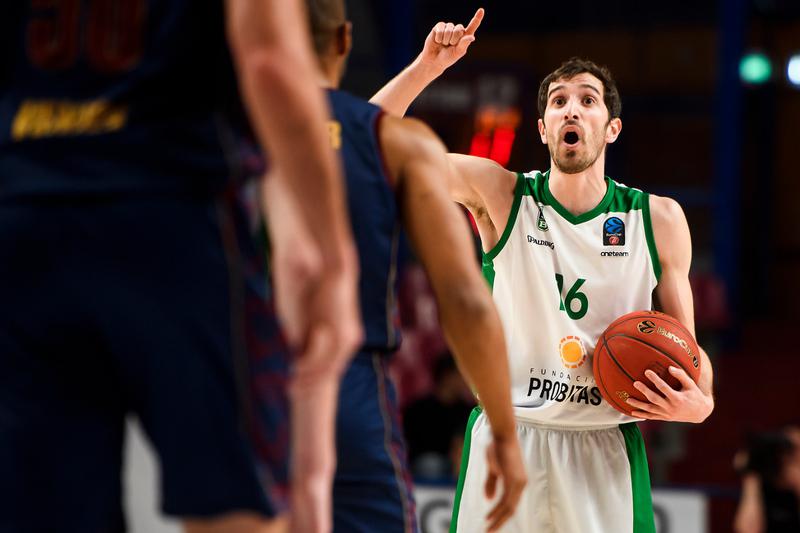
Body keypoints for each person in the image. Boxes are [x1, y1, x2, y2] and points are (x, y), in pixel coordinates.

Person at [0, 1, 359, 532]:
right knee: (237, 513)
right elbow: (269, 57)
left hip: (27, 221)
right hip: (178, 213)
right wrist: (334, 259)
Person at [371, 9, 715, 533]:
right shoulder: (501, 195)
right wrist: (426, 67)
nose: (571, 110)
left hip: (605, 445)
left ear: (611, 127)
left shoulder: (658, 219)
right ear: (543, 127)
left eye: (587, 100)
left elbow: (687, 348)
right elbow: (368, 142)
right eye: (558, 102)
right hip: (510, 437)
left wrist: (702, 403)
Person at [303, 1, 527, 531]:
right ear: (343, 42)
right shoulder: (395, 145)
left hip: (245, 386)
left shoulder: (223, 134)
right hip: (347, 388)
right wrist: (503, 432)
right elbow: (465, 300)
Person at [403, 353, 475, 479]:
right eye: (459, 374)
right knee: (431, 464)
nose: (464, 380)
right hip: (426, 466)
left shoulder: (467, 410)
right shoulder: (419, 409)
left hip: (457, 464)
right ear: (446, 376)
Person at [734, 426, 800, 533]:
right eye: (787, 451)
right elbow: (749, 531)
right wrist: (751, 476)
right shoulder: (762, 485)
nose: (788, 458)